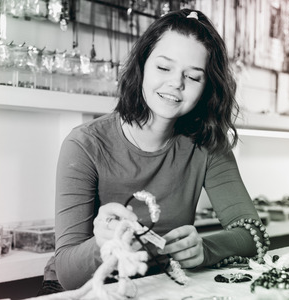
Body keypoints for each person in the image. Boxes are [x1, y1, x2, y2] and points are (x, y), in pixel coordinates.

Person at [38, 8, 269, 294]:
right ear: (142, 64)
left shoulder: (208, 143)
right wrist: (104, 243)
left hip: (161, 284)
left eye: (194, 77)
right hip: (87, 289)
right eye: (164, 67)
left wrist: (205, 249)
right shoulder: (85, 144)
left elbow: (252, 232)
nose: (176, 83)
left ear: (207, 88)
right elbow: (68, 274)